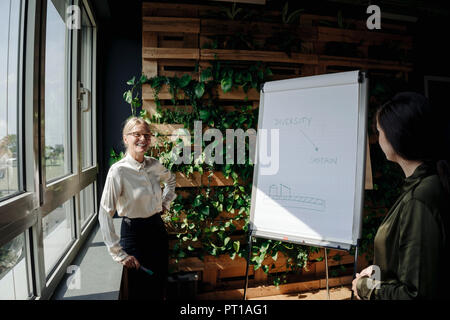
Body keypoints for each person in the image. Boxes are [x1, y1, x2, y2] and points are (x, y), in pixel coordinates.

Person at [352, 92, 450, 300]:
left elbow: (416, 294)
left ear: (396, 135)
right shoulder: (424, 184)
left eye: (379, 132)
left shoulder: (420, 198)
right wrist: (381, 271)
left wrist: (365, 288)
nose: (377, 139)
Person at [99, 117, 176, 300]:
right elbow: (104, 213)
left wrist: (165, 203)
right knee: (139, 290)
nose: (143, 139)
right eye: (137, 134)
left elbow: (171, 180)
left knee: (159, 284)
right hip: (134, 234)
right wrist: (118, 254)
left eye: (146, 135)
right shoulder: (118, 171)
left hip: (157, 229)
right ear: (126, 138)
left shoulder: (154, 165)